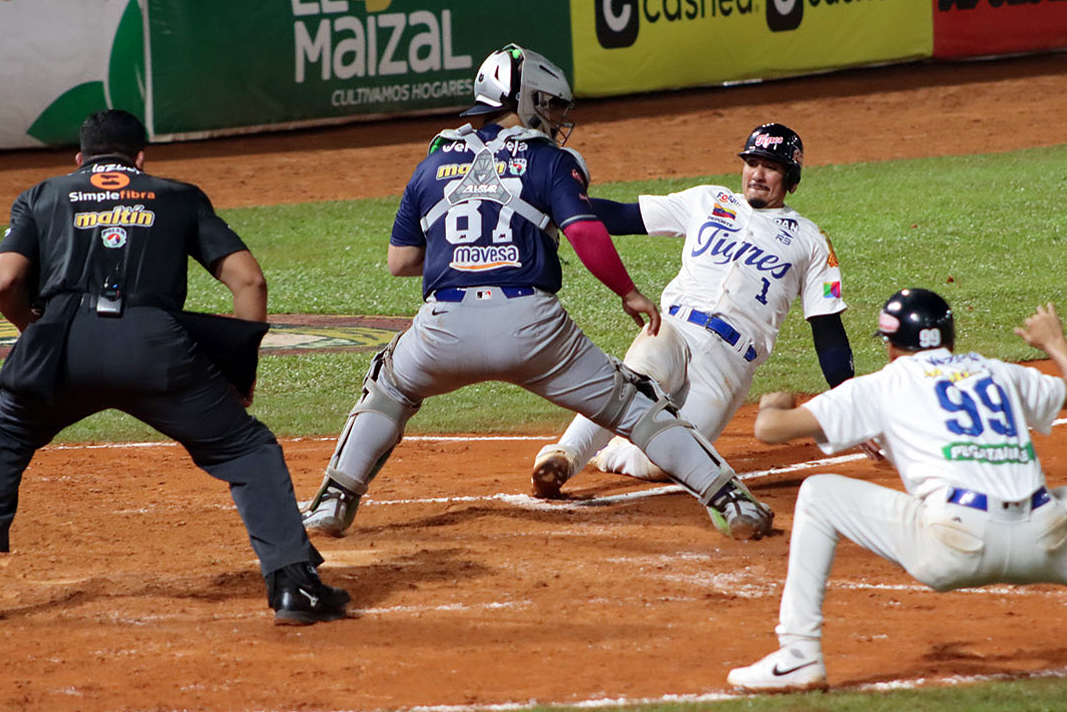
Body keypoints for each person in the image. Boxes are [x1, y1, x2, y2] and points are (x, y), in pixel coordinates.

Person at [301, 44, 766, 540]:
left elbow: (401, 262)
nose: (554, 117)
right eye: (548, 105)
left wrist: (464, 259)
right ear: (523, 99)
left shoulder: (431, 164)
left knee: (389, 386)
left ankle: (333, 501)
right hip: (533, 329)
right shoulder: (549, 160)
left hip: (442, 330)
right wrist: (628, 292)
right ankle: (731, 501)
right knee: (637, 405)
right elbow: (585, 232)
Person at [0, 110, 349, 625]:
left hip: (60, 342)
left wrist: (38, 335)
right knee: (247, 449)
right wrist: (239, 374)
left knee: (5, 437)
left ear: (79, 159)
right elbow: (249, 282)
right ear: (141, 158)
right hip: (153, 348)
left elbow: (6, 282)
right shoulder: (177, 194)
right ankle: (294, 588)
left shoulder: (42, 195)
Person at [727, 289, 1067, 692]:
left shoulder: (883, 384)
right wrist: (1054, 344)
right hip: (1046, 539)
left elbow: (769, 431)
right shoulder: (999, 372)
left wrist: (772, 405)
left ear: (891, 346)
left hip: (955, 546)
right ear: (949, 338)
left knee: (819, 493)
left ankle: (798, 655)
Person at [530, 123, 854, 540]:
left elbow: (827, 327)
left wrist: (848, 397)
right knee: (637, 383)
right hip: (674, 327)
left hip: (729, 365)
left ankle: (615, 456)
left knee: (667, 462)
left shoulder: (810, 242)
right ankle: (562, 457)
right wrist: (558, 202)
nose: (756, 173)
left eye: (770, 167)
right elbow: (622, 216)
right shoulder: (708, 200)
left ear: (789, 178)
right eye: (752, 162)